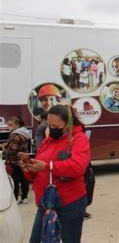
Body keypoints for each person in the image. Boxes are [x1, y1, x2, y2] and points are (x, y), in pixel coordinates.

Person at [22, 104, 90, 243]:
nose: (52, 129)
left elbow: (77, 167)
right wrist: (29, 168)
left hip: (69, 203)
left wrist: (47, 166)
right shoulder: (49, 140)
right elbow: (40, 169)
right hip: (46, 203)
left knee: (69, 240)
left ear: (68, 124)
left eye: (56, 126)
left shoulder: (78, 139)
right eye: (49, 125)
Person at [1, 116, 31, 204]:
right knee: (24, 179)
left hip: (14, 161)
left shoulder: (15, 134)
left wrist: (4, 152)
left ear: (17, 125)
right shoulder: (25, 133)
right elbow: (18, 145)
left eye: (11, 125)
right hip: (23, 160)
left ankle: (15, 199)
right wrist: (7, 144)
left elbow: (12, 149)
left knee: (15, 181)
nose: (9, 126)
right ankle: (24, 197)